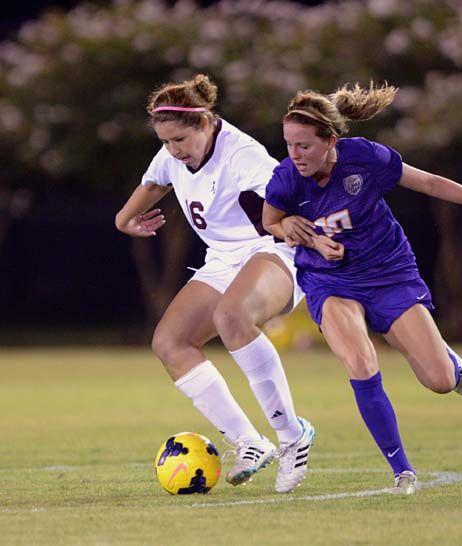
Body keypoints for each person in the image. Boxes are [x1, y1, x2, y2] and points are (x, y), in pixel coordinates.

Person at [263, 82, 462, 494]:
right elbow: (271, 221)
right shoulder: (286, 178)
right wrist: (298, 233)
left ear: (330, 141)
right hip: (330, 281)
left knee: (440, 381)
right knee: (359, 358)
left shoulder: (365, 158)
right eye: (289, 145)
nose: (293, 155)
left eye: (303, 146)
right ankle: (402, 471)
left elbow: (429, 183)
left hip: (389, 275)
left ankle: (449, 362)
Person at [115, 74, 315, 493]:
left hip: (274, 251)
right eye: (165, 141)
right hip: (224, 260)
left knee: (232, 316)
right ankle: (249, 442)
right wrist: (124, 221)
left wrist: (317, 233)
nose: (173, 149)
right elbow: (154, 182)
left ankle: (292, 435)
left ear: (205, 122)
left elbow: (292, 195)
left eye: (180, 140)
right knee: (169, 344)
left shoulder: (241, 155)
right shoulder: (173, 154)